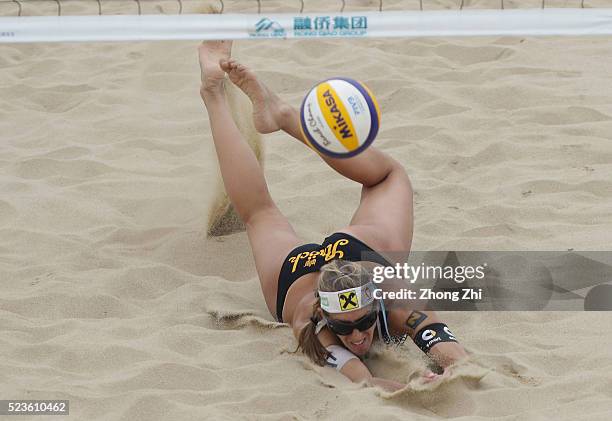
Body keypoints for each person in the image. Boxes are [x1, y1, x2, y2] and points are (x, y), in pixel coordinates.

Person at [198, 40, 468, 392]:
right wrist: (414, 385)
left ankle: (277, 113)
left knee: (262, 213)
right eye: (345, 327)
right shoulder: (316, 327)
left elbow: (456, 355)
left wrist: (449, 371)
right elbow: (365, 382)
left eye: (365, 321)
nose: (357, 337)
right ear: (326, 318)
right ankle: (214, 93)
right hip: (312, 271)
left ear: (377, 304)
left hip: (331, 262)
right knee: (261, 212)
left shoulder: (397, 301)